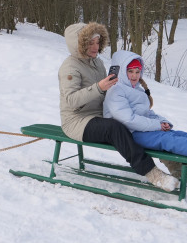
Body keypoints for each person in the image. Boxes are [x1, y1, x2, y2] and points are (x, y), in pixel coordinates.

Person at [59, 22, 179, 192]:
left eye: (97, 42)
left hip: (99, 116)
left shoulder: (97, 63)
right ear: (79, 44)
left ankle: (173, 163)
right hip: (77, 121)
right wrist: (99, 87)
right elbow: (70, 100)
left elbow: (108, 92)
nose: (95, 47)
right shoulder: (70, 67)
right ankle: (152, 174)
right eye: (90, 43)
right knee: (116, 128)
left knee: (136, 119)